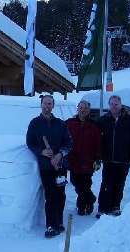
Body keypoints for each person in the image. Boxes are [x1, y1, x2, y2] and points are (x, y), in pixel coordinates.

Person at [26, 95, 72, 238]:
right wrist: (42, 152)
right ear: (41, 105)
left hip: (61, 165)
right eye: (45, 103)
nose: (47, 106)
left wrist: (60, 154)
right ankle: (51, 225)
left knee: (61, 195)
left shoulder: (60, 124)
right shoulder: (34, 124)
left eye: (50, 103)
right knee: (50, 195)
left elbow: (68, 142)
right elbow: (30, 143)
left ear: (53, 106)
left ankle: (59, 222)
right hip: (46, 166)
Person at [96, 95, 130, 218]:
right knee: (106, 183)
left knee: (119, 183)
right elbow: (93, 132)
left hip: (124, 158)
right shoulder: (103, 120)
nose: (113, 107)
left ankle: (115, 206)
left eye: (116, 104)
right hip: (108, 158)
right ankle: (103, 208)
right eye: (111, 104)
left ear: (121, 105)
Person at [66, 100, 102, 216]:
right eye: (81, 108)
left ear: (89, 110)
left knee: (85, 184)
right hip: (74, 160)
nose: (83, 110)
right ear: (78, 109)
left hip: (88, 161)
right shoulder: (69, 123)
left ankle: (82, 206)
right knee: (75, 181)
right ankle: (90, 199)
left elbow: (99, 143)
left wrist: (97, 159)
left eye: (85, 108)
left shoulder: (94, 125)